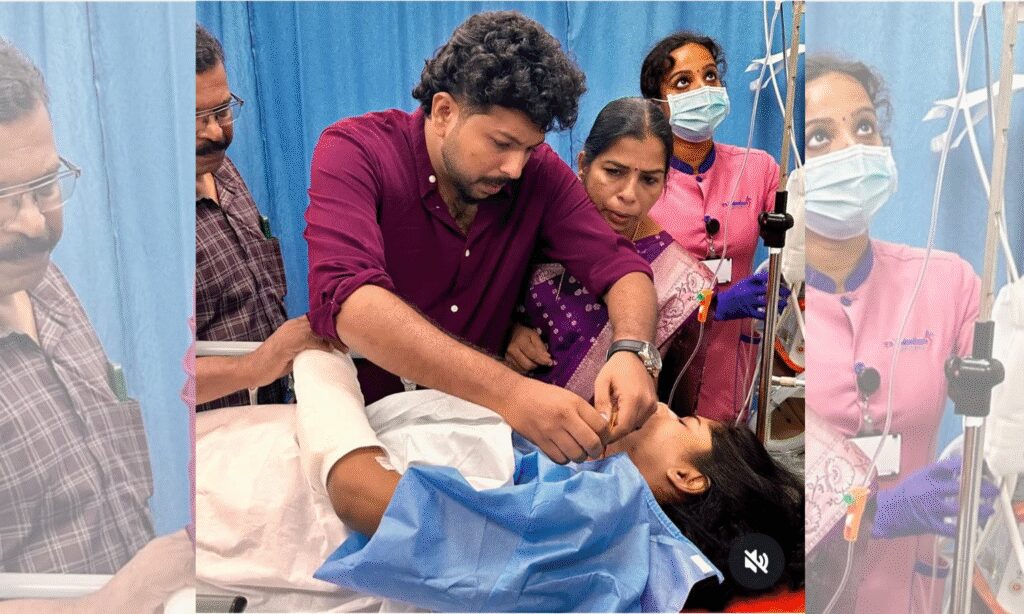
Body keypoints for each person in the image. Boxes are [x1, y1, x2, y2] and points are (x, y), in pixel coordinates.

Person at [305, 12, 661, 464]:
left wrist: (634, 350)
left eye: (529, 148)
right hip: (366, 426)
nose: (515, 167)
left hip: (476, 438)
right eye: (501, 143)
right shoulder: (357, 152)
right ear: (444, 111)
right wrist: (512, 393)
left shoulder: (537, 173)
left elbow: (621, 267)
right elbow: (351, 300)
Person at [299, 349, 804, 611]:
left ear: (687, 478)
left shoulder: (602, 517)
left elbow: (361, 495)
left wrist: (322, 366)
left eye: (686, 422)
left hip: (292, 512)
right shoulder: (616, 534)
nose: (667, 407)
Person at [802, 54, 998, 614]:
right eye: (820, 136)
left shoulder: (946, 281)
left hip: (915, 593)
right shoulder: (776, 301)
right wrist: (873, 514)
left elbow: (1005, 410)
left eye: (864, 126)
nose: (854, 149)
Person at [0, 38, 191, 613]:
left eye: (45, 186)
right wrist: (118, 601)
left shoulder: (47, 287)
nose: (36, 224)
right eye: (4, 201)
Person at [503, 97, 713, 414]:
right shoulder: (533, 220)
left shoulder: (678, 278)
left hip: (596, 450)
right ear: (584, 163)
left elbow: (671, 403)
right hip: (494, 419)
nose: (629, 194)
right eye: (614, 171)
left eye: (649, 179)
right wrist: (507, 331)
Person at [641, 31, 787, 422]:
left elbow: (796, 244)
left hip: (734, 359)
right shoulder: (640, 180)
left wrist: (784, 285)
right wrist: (713, 303)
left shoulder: (758, 169)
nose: (703, 89)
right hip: (663, 360)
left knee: (728, 462)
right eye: (683, 82)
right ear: (659, 104)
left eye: (710, 76)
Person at [194, 24, 329, 411]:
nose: (218, 132)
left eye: (222, 110)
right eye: (197, 118)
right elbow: (149, 380)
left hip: (268, 417)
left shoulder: (223, 170)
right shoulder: (148, 230)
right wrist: (254, 367)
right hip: (210, 446)